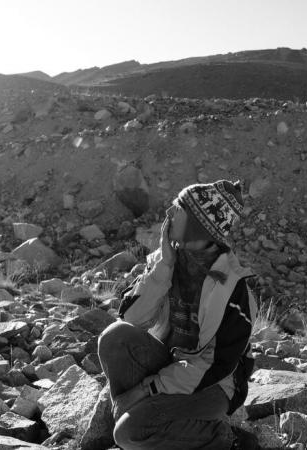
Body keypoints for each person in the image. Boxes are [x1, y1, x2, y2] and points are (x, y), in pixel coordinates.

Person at [97, 179, 259, 450]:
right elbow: (132, 319)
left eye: (178, 208)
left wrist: (145, 390)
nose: (169, 215)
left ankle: (223, 438)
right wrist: (164, 267)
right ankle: (134, 422)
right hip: (171, 365)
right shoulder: (168, 259)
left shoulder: (234, 289)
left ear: (197, 225)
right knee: (115, 338)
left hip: (213, 385)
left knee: (129, 433)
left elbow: (213, 367)